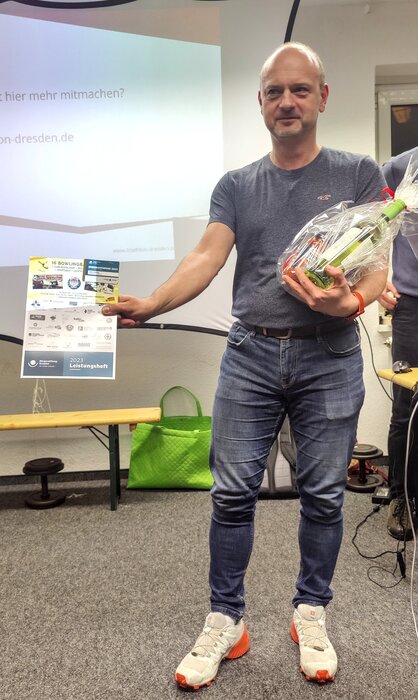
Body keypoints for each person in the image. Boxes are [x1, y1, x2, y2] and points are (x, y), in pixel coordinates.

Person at [103, 43, 387, 687]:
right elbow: (206, 257)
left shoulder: (357, 173)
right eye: (274, 92)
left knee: (323, 495)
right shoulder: (236, 185)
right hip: (249, 355)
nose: (287, 102)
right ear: (260, 102)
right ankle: (226, 618)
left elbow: (377, 265)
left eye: (299, 90)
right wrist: (152, 303)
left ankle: (310, 612)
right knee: (231, 495)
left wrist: (353, 302)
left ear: (322, 96)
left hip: (330, 355)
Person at [378, 147, 418, 541]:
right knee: (406, 408)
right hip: (412, 306)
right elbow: (372, 226)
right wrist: (375, 280)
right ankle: (401, 499)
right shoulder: (399, 167)